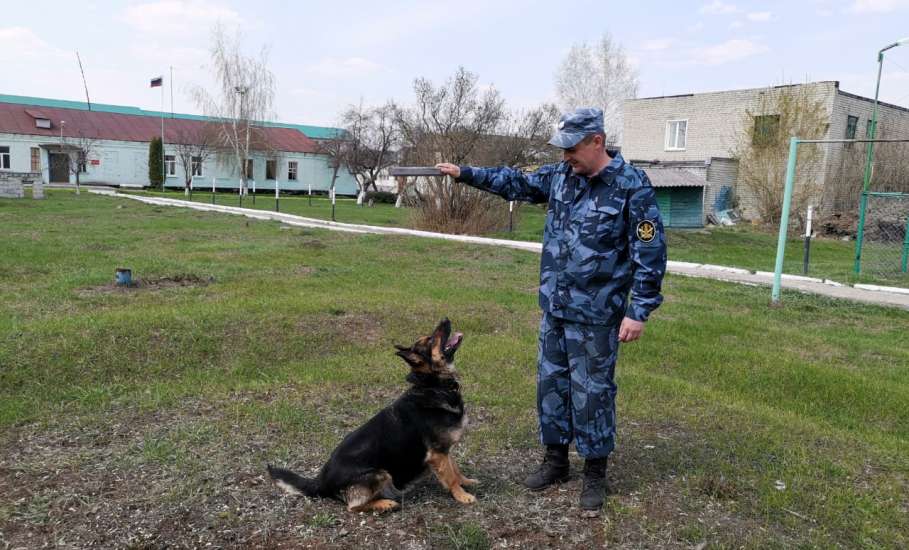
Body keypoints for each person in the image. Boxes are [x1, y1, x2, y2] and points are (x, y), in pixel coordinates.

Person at [436, 107, 667, 512]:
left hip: (598, 315)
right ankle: (555, 461)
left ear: (597, 141)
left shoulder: (632, 186)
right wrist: (465, 173)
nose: (566, 157)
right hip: (555, 309)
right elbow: (515, 182)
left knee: (593, 393)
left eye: (572, 149)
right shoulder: (561, 177)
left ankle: (595, 471)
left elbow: (649, 253)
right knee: (552, 387)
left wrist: (639, 310)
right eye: (562, 150)